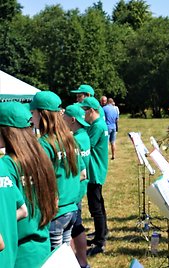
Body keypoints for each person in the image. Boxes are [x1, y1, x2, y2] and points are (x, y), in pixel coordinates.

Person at [0, 101, 58, 267]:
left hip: (20, 252)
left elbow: (16, 211)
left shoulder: (8, 164)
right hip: (42, 244)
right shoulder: (41, 157)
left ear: (6, 131)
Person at [30, 91, 83, 251]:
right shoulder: (70, 139)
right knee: (64, 255)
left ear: (42, 114)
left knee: (54, 258)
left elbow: (41, 180)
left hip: (57, 212)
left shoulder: (44, 144)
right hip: (72, 208)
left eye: (32, 113)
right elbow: (81, 174)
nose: (31, 119)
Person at [80, 97, 109, 257]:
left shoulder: (97, 126)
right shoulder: (99, 124)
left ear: (91, 111)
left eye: (84, 111)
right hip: (97, 170)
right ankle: (102, 233)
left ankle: (100, 242)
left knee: (96, 208)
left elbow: (85, 144)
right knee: (99, 205)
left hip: (94, 172)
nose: (83, 115)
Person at [64, 104, 91, 268]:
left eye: (64, 116)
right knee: (76, 225)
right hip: (80, 187)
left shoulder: (75, 140)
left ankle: (79, 261)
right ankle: (80, 260)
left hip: (75, 190)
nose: (62, 119)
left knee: (74, 227)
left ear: (72, 120)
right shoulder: (84, 135)